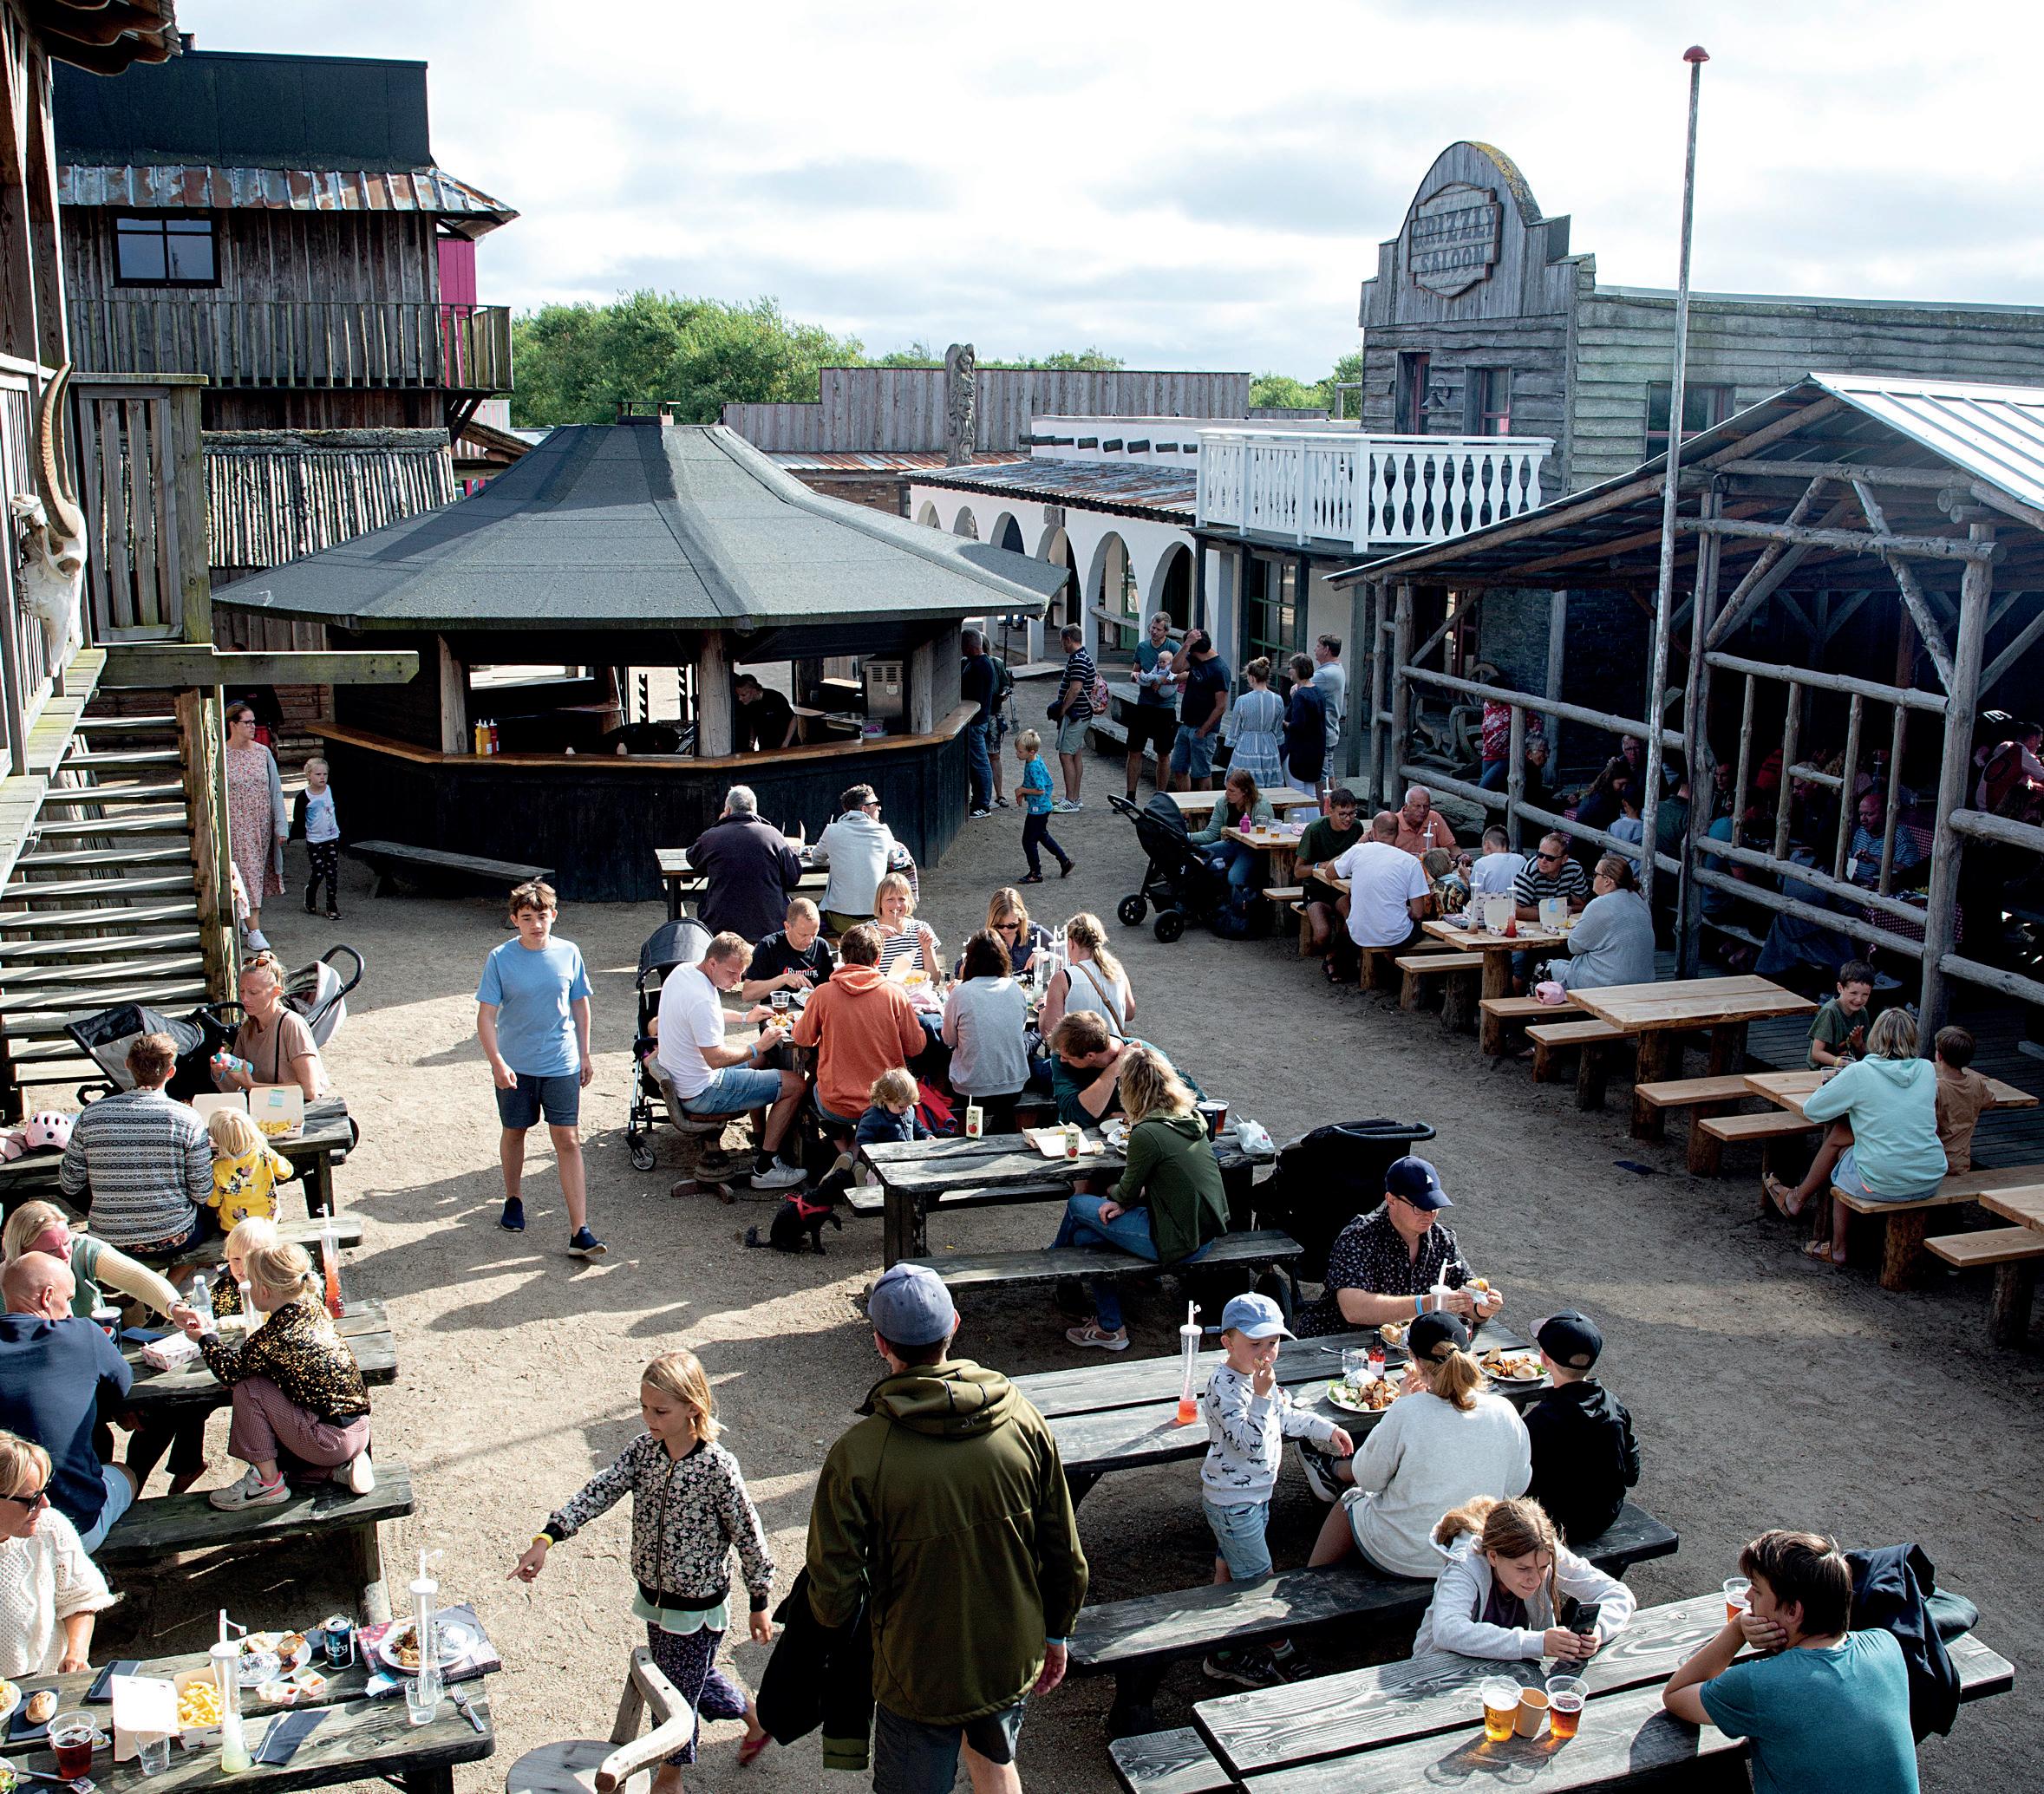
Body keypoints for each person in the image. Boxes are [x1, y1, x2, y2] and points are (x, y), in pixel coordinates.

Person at [806, 1264, 1087, 1794]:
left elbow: (833, 1587)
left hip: (916, 1672)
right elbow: (1064, 1551)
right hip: (1006, 1655)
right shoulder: (1023, 1419)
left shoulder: (858, 1455)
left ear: (880, 1343)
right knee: (995, 1758)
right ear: (954, 1324)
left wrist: (837, 1635)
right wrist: (1056, 1632)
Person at [513, 1349, 775, 1787]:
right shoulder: (643, 1452)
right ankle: (754, 1717)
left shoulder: (717, 1469)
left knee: (672, 1698)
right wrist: (547, 1537)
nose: (648, 1418)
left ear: (693, 1407)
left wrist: (760, 1600)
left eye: (659, 1410)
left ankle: (669, 1778)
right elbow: (600, 1490)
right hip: (655, 1599)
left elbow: (749, 1534)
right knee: (680, 1677)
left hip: (697, 1609)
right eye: (643, 1407)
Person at [1662, 1529, 1919, 1794]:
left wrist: (1737, 1628)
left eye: (1757, 1591)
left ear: (1793, 1610)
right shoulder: (1886, 1646)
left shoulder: (1760, 1684)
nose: (1748, 1598)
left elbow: (1676, 1694)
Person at [1198, 1292, 1351, 1688]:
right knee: (1260, 1583)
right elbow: (1247, 1442)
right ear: (1227, 1342)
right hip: (1233, 1501)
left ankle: (1219, 1651)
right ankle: (1283, 1653)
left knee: (1228, 1569)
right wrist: (1263, 1397)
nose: (1266, 1353)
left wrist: (1326, 1429)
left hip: (1255, 1495)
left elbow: (1285, 1417)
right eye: (1255, 1344)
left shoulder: (1261, 1379)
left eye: (1273, 1342)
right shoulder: (1224, 1386)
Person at [1305, 1311, 1531, 1575]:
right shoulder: (1505, 1410)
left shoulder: (1407, 1410)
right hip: (1472, 1553)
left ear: (1416, 1362)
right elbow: (1517, 1485)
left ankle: (1309, 1581)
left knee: (1350, 1501)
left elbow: (1367, 1479)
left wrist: (1402, 1405)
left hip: (1403, 1556)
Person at [168, 1240, 374, 1509]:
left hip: (327, 1442)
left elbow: (230, 1372)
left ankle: (267, 1482)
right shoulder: (314, 1309)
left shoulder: (275, 1334)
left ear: (264, 1291)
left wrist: (206, 1339)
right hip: (358, 1431)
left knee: (249, 1387)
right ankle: (338, 1469)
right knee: (272, 1402)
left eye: (251, 1283)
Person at [1052, 1045, 1227, 1352]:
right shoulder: (1189, 1116)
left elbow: (1125, 1191)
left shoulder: (1147, 1132)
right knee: (1084, 1237)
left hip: (1177, 1239)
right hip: (1204, 1230)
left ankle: (1057, 1268)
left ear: (1130, 1088)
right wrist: (1124, 1200)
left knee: (1079, 1205)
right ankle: (1110, 1326)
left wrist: (1115, 1196)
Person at [475, 879, 602, 1256]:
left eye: (542, 916)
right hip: (516, 1065)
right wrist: (497, 1062)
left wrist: (585, 1054)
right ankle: (513, 1198)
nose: (536, 924)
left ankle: (580, 1230)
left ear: (554, 916)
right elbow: (486, 1016)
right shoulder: (500, 958)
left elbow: (580, 1004)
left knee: (568, 1139)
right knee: (515, 1131)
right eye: (527, 917)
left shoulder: (569, 953)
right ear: (515, 919)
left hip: (561, 1063)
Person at [1765, 1008, 1947, 1266]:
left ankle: (1838, 1247)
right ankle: (1798, 1199)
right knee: (1844, 1136)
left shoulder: (1861, 1072)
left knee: (1843, 1156)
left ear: (1876, 1036)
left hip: (1883, 1182)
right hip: (1929, 1179)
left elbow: (1813, 1110)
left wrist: (1843, 1092)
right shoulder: (1927, 1070)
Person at [0, 1254, 135, 1551]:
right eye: (69, 1299)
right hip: (71, 1529)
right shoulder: (81, 1333)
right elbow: (122, 1384)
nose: (71, 1311)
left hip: (4, 1524)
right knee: (123, 1473)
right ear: (48, 1296)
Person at [656, 933, 807, 1190]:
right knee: (796, 1084)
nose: (737, 980)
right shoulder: (701, 999)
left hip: (683, 1076)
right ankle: (766, 1167)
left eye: (741, 973)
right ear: (712, 963)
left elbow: (707, 1015)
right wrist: (757, 1046)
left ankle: (761, 1137)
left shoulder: (684, 972)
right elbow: (716, 1059)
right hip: (702, 1091)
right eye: (732, 973)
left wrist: (746, 1017)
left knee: (763, 1060)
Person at [1296, 1155, 1504, 1339]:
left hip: (1407, 1346)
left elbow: (1468, 1300)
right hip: (1338, 1341)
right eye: (1419, 1206)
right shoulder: (1359, 1236)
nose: (1429, 1214)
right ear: (1391, 1200)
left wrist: (1482, 1309)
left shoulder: (1443, 1239)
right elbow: (1353, 1309)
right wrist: (1425, 1304)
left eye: (1434, 1206)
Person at [1409, 1493, 1635, 1661]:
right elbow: (1448, 1631)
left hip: (1508, 1673)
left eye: (1543, 1568)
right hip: (1441, 1673)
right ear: (1493, 1557)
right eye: (1523, 1569)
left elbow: (1618, 1593)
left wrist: (1599, 1630)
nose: (1535, 1580)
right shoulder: (1465, 1563)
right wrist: (1537, 1643)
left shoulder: (1543, 1550)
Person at [60, 1032, 212, 1257]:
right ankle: (174, 1279)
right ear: (171, 1072)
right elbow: (202, 1192)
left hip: (107, 1240)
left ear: (128, 1064)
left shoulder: (92, 1114)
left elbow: (69, 1183)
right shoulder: (187, 1117)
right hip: (172, 1236)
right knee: (219, 1219)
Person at [790, 923, 927, 1134]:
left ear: (843, 957)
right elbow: (916, 1047)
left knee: (811, 1088)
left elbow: (802, 1038)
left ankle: (847, 1147)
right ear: (878, 959)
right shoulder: (895, 995)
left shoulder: (823, 994)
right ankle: (854, 1148)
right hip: (886, 1103)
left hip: (837, 1104)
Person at [1520, 1309, 1641, 1545]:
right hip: (1603, 1517)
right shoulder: (1615, 1407)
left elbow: (1518, 1482)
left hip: (1550, 1525)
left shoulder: (1538, 1421)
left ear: (1544, 1360)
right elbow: (1631, 1474)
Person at [0, 1430, 114, 1678]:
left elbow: (80, 1597)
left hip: (43, 1685)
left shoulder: (49, 1528)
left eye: (44, 1490)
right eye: (31, 1499)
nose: (46, 1504)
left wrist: (76, 1653)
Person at [1, 1201, 180, 1323]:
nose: (64, 1254)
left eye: (66, 1242)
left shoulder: (82, 1248)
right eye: (51, 1251)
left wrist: (175, 1307)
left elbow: (137, 1277)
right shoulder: (6, 1281)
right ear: (22, 1252)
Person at [689, 786, 804, 944]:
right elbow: (793, 876)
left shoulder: (712, 836)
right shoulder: (773, 835)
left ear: (728, 810)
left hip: (720, 924)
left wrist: (719, 825)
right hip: (769, 923)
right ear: (755, 810)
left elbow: (693, 858)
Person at [941, 931, 1031, 1132]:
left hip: (969, 1090)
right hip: (1014, 1087)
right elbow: (1019, 1029)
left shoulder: (961, 993)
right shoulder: (1015, 989)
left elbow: (949, 1040)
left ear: (970, 960)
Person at [216, 949, 327, 1100]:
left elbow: (310, 1090)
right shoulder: (247, 1028)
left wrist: (252, 1086)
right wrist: (220, 1071)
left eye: (253, 992)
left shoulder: (291, 1025)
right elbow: (231, 1088)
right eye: (242, 991)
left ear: (275, 992)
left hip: (299, 1106)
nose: (245, 999)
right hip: (266, 1105)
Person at [223, 698, 288, 949]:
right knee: (247, 873)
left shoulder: (262, 753)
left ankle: (244, 917)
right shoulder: (222, 755)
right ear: (233, 725)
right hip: (236, 826)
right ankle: (255, 931)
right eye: (247, 722)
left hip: (260, 826)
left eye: (254, 722)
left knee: (255, 874)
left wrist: (280, 826)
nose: (253, 727)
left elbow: (275, 791)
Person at [1545, 856, 1655, 992]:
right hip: (1643, 981)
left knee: (1547, 967)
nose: (1593, 878)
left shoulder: (1600, 904)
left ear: (1607, 881)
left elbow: (1573, 946)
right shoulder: (1640, 900)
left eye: (1595, 874)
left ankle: (1535, 1005)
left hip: (1609, 983)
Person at [1331, 810, 1432, 958]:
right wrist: (1405, 910)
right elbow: (1418, 913)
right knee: (1422, 924)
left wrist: (1358, 844)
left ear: (1372, 832)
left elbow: (1330, 872)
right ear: (1398, 833)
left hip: (1359, 934)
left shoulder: (1358, 850)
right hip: (1397, 937)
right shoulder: (1411, 862)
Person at [813, 785, 898, 934]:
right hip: (878, 919)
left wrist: (835, 859)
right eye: (876, 804)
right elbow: (894, 857)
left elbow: (816, 859)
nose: (879, 808)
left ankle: (840, 945)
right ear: (865, 809)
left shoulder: (831, 830)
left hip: (840, 921)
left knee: (809, 908)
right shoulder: (883, 831)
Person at [1037, 912, 1134, 1040]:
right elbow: (1129, 1013)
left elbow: (1050, 1032)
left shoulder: (1063, 978)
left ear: (1071, 943)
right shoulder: (1117, 970)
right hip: (1112, 1049)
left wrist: (1042, 1007)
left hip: (1076, 1051)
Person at [1297, 786, 1364, 959]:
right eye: (1342, 814)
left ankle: (1333, 957)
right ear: (1330, 811)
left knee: (1354, 924)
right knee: (1322, 934)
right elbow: (1298, 871)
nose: (1348, 819)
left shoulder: (1357, 827)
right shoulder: (1315, 829)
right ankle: (1325, 955)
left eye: (1352, 813)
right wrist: (1320, 866)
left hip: (1342, 889)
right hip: (1316, 889)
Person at [1188, 766, 1275, 894]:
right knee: (1193, 856)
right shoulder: (1223, 803)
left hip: (1251, 850)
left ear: (1244, 791)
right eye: (1226, 789)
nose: (1227, 794)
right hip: (1231, 844)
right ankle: (1213, 869)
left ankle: (1243, 900)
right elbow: (1212, 833)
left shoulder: (1261, 806)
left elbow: (1266, 839)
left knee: (1234, 879)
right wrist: (1188, 836)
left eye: (1232, 791)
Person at [206, 1107, 295, 1230]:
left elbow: (213, 1201)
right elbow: (286, 1172)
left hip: (234, 1229)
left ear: (217, 1140)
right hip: (268, 1223)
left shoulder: (217, 1168)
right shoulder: (264, 1153)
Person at [1125, 612, 1182, 800]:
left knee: (1163, 754)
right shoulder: (1142, 647)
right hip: (1144, 705)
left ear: (1166, 631)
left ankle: (1160, 797)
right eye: (1152, 628)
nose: (1154, 632)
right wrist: (1136, 676)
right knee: (1134, 750)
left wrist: (1164, 681)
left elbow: (1183, 673)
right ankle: (1130, 795)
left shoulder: (1174, 647)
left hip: (1165, 708)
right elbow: (1135, 670)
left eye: (1158, 629)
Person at [737, 898, 836, 1001]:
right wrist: (783, 979)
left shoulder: (821, 946)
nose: (810, 941)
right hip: (777, 1009)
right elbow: (747, 994)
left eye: (814, 934)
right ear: (787, 926)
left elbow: (829, 987)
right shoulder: (769, 946)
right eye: (803, 935)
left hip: (812, 1008)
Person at [1169, 629, 1230, 792]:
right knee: (1178, 768)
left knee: (1202, 773)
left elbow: (1221, 706)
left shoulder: (1219, 669)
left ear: (1196, 651)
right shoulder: (1195, 658)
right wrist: (1186, 645)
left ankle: (1204, 805)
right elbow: (1175, 669)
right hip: (1186, 725)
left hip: (1203, 731)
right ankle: (1185, 805)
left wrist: (1203, 730)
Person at [1014, 727, 1074, 884]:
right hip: (1042, 807)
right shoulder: (1034, 760)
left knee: (1028, 840)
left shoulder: (1033, 766)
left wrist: (1022, 790)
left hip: (1038, 809)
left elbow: (1040, 790)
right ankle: (1064, 861)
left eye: (1020, 751)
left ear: (1031, 752)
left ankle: (1036, 872)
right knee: (1041, 835)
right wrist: (1023, 792)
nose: (1017, 754)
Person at [1934, 1025, 1993, 1177]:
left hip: (1935, 1162)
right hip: (1961, 1162)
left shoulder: (1937, 1089)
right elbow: (1989, 1101)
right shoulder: (1976, 1083)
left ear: (1939, 1056)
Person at [1049, 623, 1095, 810]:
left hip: (1077, 714)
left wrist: (1062, 709)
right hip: (1081, 713)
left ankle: (1071, 799)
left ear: (1068, 639)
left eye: (1061, 641)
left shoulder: (1078, 660)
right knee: (1075, 754)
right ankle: (1074, 797)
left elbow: (1075, 688)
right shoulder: (1081, 656)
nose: (1061, 645)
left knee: (1066, 754)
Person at [291, 755, 343, 920]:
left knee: (332, 872)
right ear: (309, 775)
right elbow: (298, 819)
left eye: (325, 774)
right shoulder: (304, 797)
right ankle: (311, 893)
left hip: (332, 837)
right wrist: (293, 835)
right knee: (319, 871)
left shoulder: (331, 791)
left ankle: (332, 905)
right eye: (318, 774)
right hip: (314, 840)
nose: (322, 777)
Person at [1223, 657, 1284, 791]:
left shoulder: (1242, 700)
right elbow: (1278, 731)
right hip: (1269, 746)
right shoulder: (1278, 700)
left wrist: (1230, 744)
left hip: (1247, 746)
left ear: (1251, 677)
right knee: (1269, 789)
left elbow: (1234, 731)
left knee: (1244, 785)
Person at [1846, 790, 1924, 889]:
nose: (1863, 819)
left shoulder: (1900, 836)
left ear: (1884, 814)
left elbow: (1908, 873)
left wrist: (1874, 859)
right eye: (1861, 814)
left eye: (1869, 814)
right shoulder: (1861, 831)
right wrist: (1854, 860)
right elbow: (1850, 861)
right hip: (1855, 886)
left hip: (1881, 890)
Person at [1807, 960, 1875, 1069]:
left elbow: (1866, 1051)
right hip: (1824, 1069)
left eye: (1865, 995)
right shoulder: (1830, 1011)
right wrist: (1842, 1063)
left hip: (1849, 1066)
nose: (1859, 999)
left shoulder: (1862, 1012)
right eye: (1853, 993)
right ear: (1840, 988)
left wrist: (1859, 1044)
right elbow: (1816, 1053)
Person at [872, 872, 940, 982]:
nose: (897, 905)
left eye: (902, 899)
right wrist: (873, 939)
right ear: (879, 902)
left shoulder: (922, 928)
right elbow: (859, 978)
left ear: (909, 901)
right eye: (890, 899)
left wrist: (927, 949)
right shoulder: (867, 932)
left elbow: (934, 980)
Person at [961, 629, 1000, 817]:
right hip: (977, 720)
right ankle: (979, 800)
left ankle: (983, 804)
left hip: (976, 721)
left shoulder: (980, 666)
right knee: (978, 763)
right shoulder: (980, 663)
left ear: (968, 647)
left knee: (980, 763)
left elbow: (972, 697)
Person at [1513, 831, 1590, 922]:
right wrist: (1555, 913)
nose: (1543, 861)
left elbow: (1581, 905)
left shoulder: (1574, 869)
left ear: (1564, 859)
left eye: (1550, 858)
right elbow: (1515, 910)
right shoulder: (1529, 873)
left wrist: (1560, 910)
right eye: (1540, 855)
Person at [978, 887, 1055, 977]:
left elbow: (1064, 955)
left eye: (1012, 925)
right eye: (999, 926)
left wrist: (1046, 955)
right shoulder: (986, 939)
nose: (1005, 930)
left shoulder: (1035, 932)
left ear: (1021, 918)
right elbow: (966, 968)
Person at [1280, 653, 1327, 797]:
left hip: (1298, 752)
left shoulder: (1301, 696)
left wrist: (1283, 723)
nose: (1289, 671)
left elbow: (1297, 725)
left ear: (1298, 670)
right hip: (1316, 751)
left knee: (1296, 794)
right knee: (1310, 794)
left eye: (1291, 668)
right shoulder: (1318, 692)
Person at [732, 672, 798, 753]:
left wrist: (785, 744)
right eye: (738, 695)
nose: (740, 699)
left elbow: (793, 719)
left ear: (753, 691)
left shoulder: (775, 697)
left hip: (788, 746)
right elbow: (753, 725)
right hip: (766, 748)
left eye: (743, 695)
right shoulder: (748, 705)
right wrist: (751, 745)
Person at [1574, 757, 1632, 838]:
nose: (1624, 788)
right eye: (1621, 784)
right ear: (1611, 780)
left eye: (1626, 784)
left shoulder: (1603, 794)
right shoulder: (1600, 800)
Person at [1393, 786, 1456, 858]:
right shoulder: (1393, 823)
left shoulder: (1434, 817)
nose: (1422, 810)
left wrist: (1460, 857)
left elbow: (1451, 847)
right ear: (1406, 806)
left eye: (1426, 806)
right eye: (1417, 806)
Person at [1310, 634, 1346, 764]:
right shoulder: (1336, 668)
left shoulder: (1326, 674)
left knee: (1322, 773)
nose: (1315, 649)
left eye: (1318, 646)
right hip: (1330, 730)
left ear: (1326, 650)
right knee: (1327, 771)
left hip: (1323, 733)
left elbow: (1301, 690)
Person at [1468, 825, 1526, 900]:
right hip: (1517, 905)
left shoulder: (1481, 863)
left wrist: (1467, 878)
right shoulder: (1522, 860)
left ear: (1487, 845)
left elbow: (1476, 897)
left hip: (1491, 906)